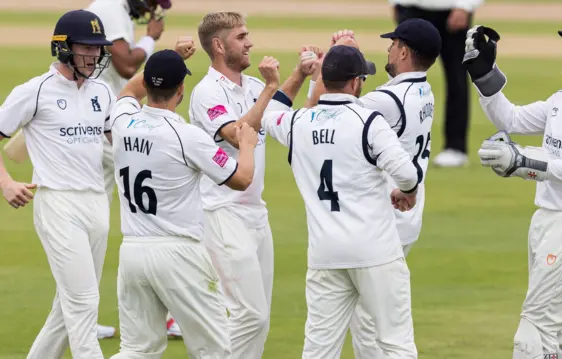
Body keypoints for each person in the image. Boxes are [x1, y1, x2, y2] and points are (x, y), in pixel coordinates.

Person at [463, 22, 562, 359]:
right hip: (547, 221)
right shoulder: (561, 100)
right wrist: (484, 74)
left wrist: (524, 162)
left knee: (533, 333)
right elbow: (509, 119)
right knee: (560, 337)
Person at [259, 44, 419, 359]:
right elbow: (408, 174)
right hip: (375, 252)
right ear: (355, 82)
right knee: (396, 343)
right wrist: (407, 192)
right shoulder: (369, 121)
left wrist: (299, 75)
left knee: (319, 349)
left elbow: (269, 114)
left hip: (325, 254)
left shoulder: (298, 123)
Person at [107, 46, 260, 358]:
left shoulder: (122, 121)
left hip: (133, 251)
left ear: (147, 84)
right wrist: (247, 144)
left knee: (138, 349)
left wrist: (163, 60)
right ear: (181, 89)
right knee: (214, 350)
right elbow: (241, 179)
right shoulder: (187, 136)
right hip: (179, 253)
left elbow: (127, 90)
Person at [305, 20, 440, 358]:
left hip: (385, 218)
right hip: (406, 214)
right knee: (371, 321)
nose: (389, 49)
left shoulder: (389, 99)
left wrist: (338, 60)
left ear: (405, 51)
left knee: (372, 327)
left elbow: (329, 109)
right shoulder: (422, 89)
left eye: (393, 44)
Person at [189, 11, 313, 358]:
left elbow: (274, 109)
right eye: (241, 37)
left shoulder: (253, 88)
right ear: (218, 45)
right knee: (249, 315)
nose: (250, 43)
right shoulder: (207, 92)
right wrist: (271, 87)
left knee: (259, 317)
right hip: (221, 213)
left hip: (256, 214)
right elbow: (237, 133)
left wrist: (297, 76)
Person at [0, 10, 114, 358]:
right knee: (83, 303)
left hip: (97, 203)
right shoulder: (35, 91)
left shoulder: (103, 91)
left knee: (66, 308)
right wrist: (5, 183)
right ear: (62, 48)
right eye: (86, 48)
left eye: (98, 48)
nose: (94, 55)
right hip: (58, 204)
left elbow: (115, 142)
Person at [85, 0, 171, 339]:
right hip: (102, 125)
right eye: (152, 2)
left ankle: (81, 317)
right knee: (156, 202)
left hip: (104, 122)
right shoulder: (110, 8)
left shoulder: (117, 11)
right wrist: (151, 39)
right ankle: (169, 310)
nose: (152, 9)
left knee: (95, 225)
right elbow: (124, 65)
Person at [388, 0, 484, 167]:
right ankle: (394, 143)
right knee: (400, 76)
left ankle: (455, 147)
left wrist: (466, 5)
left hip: (450, 8)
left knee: (456, 77)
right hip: (410, 7)